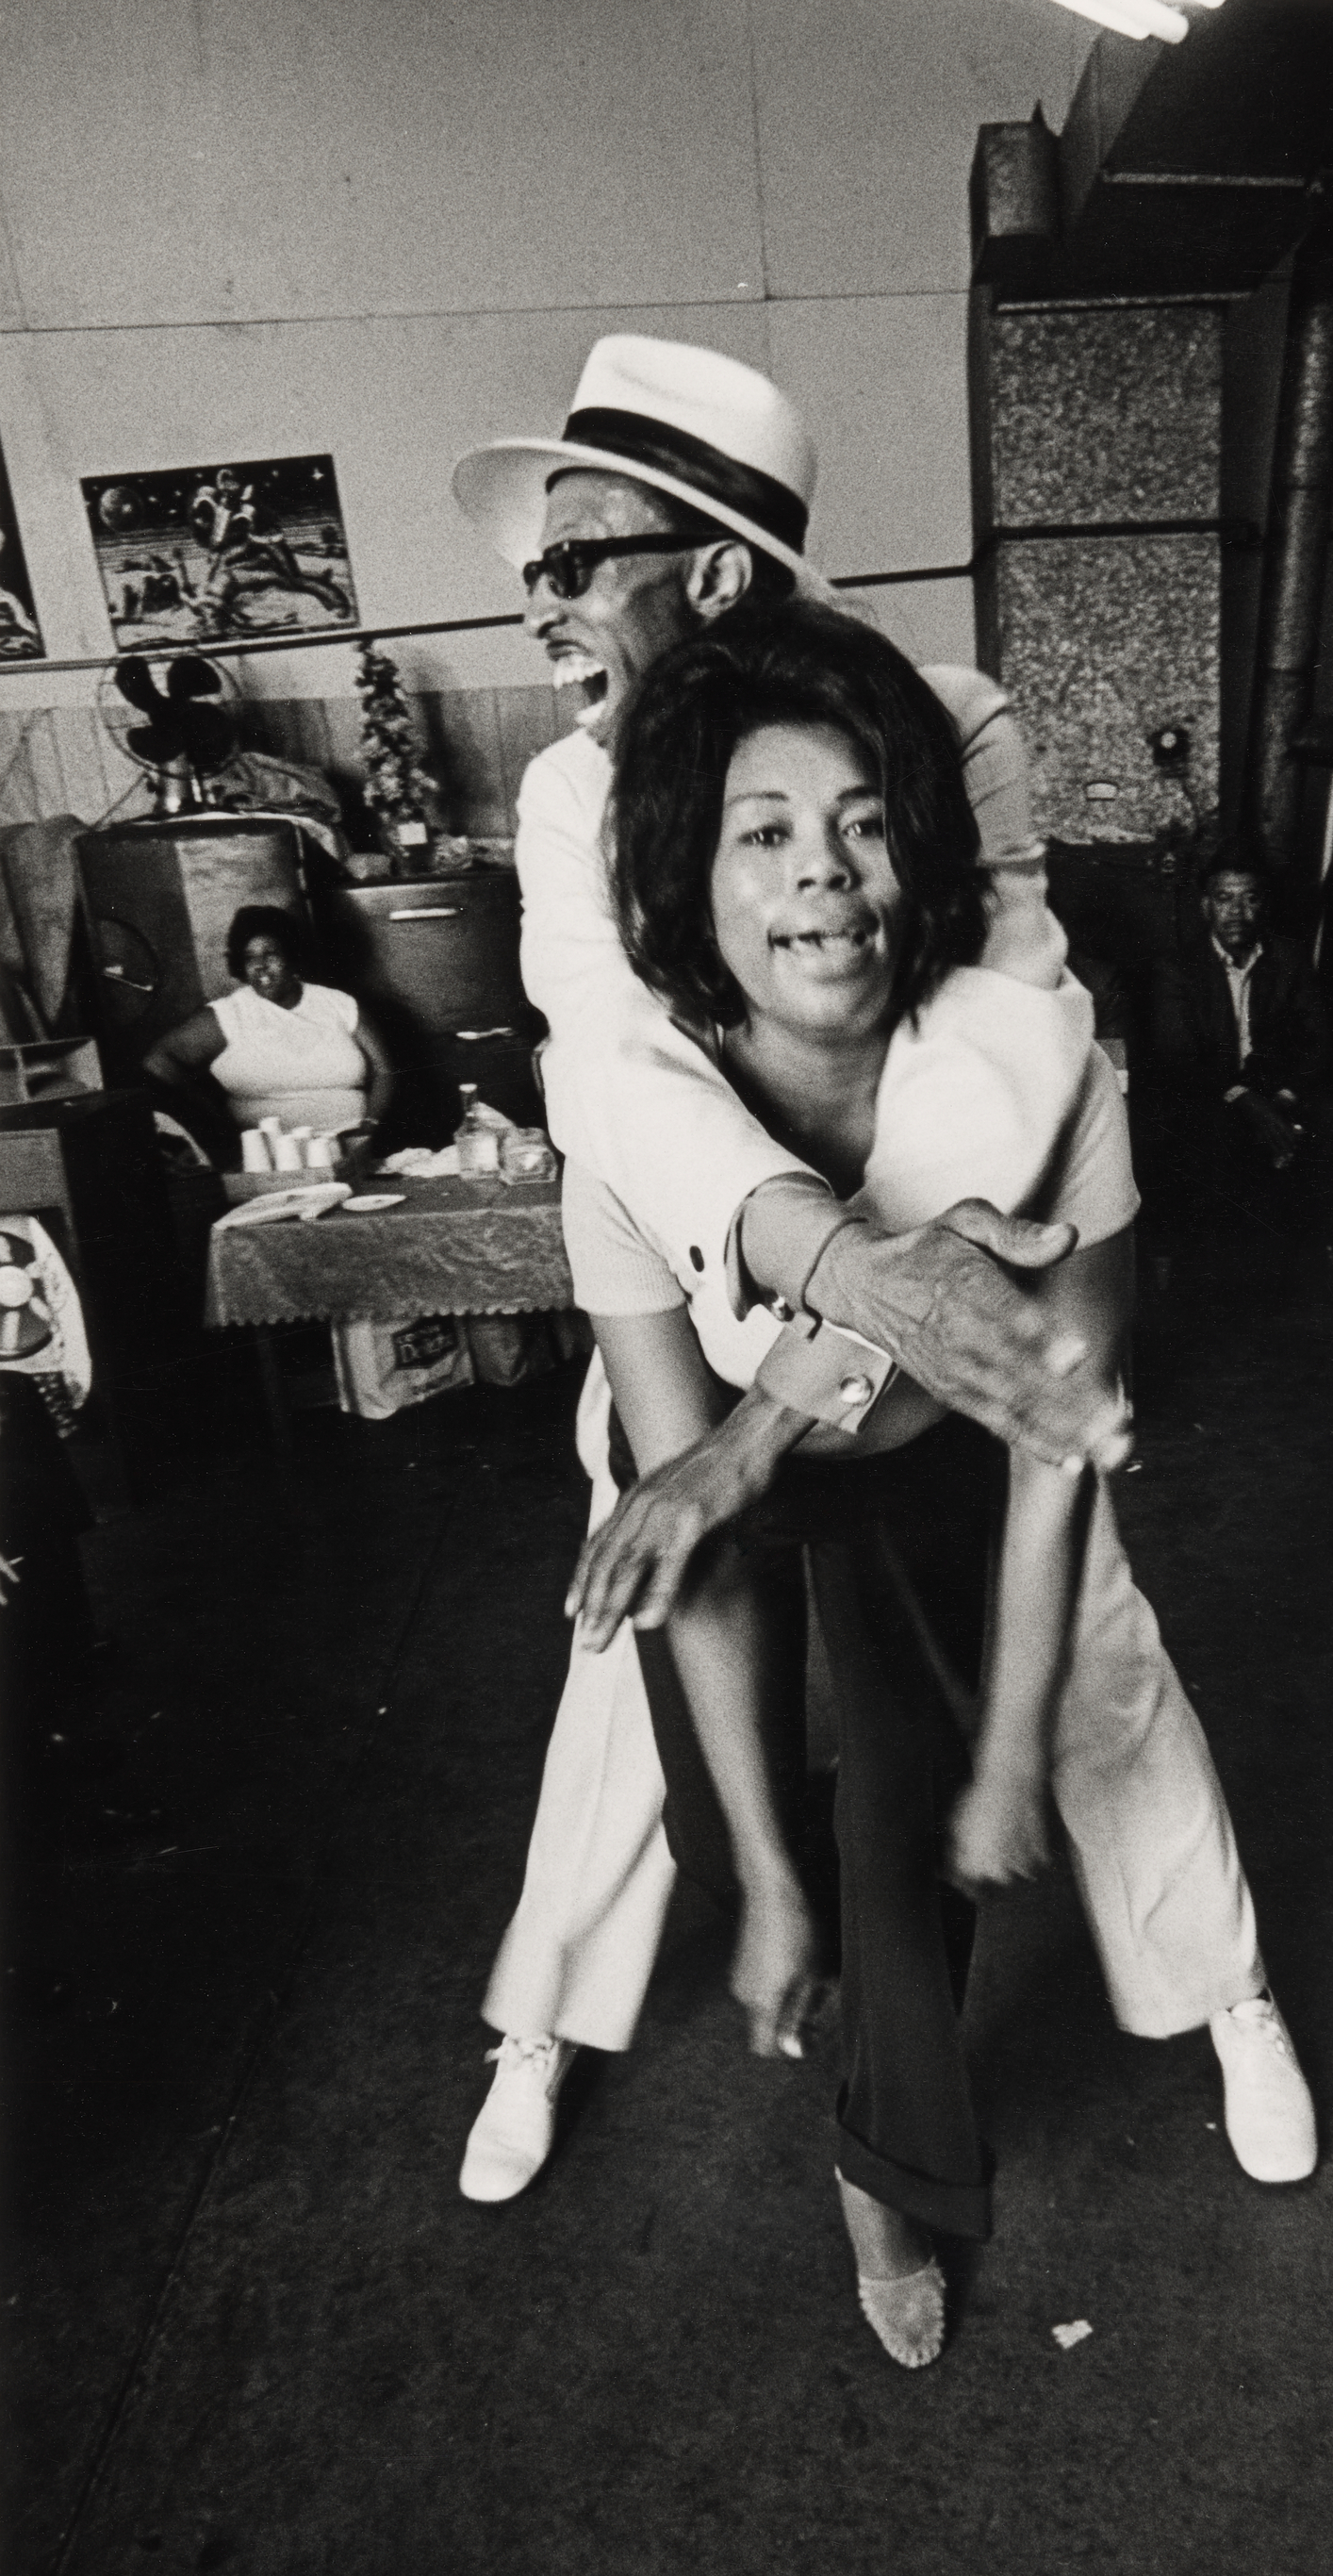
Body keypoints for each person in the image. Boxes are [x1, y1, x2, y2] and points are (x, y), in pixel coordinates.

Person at [557, 605, 1315, 2367]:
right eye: (764, 834)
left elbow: (1058, 1430)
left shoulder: (1047, 1068)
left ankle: (884, 2179)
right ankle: (790, 1907)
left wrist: (998, 1757)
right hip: (743, 1497)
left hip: (944, 1470)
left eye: (866, 822)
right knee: (741, 1842)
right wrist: (756, 1870)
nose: (824, 879)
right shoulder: (631, 1125)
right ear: (693, 881)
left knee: (919, 1826)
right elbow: (709, 1535)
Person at [450, 338, 1135, 2201]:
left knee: (1077, 1715)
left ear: (720, 574)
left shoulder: (944, 725)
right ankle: (547, 2022)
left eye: (578, 555)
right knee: (653, 1706)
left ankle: (1148, 2017)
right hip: (697, 1297)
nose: (540, 596)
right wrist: (765, 1376)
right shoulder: (571, 799)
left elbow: (1003, 1053)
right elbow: (608, 1079)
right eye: (756, 840)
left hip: (948, 1356)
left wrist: (805, 1391)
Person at [1142, 847, 1333, 1266]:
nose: (1237, 911)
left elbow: (1317, 1041)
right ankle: (1219, 1269)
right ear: (1206, 906)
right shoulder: (1177, 968)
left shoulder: (1289, 960)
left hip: (1275, 1091)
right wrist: (1245, 1100)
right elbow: (1178, 1055)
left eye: (1250, 898)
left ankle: (1332, 1254)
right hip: (1208, 1095)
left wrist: (1285, 1098)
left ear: (1264, 903)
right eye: (1224, 899)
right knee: (1215, 1132)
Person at [142, 905, 395, 1166]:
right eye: (250, 957)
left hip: (353, 1149)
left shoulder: (338, 1004)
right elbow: (158, 1061)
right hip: (268, 1160)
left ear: (292, 955)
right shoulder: (228, 1015)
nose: (260, 966)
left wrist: (368, 1129)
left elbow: (385, 1070)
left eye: (270, 954)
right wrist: (209, 1113)